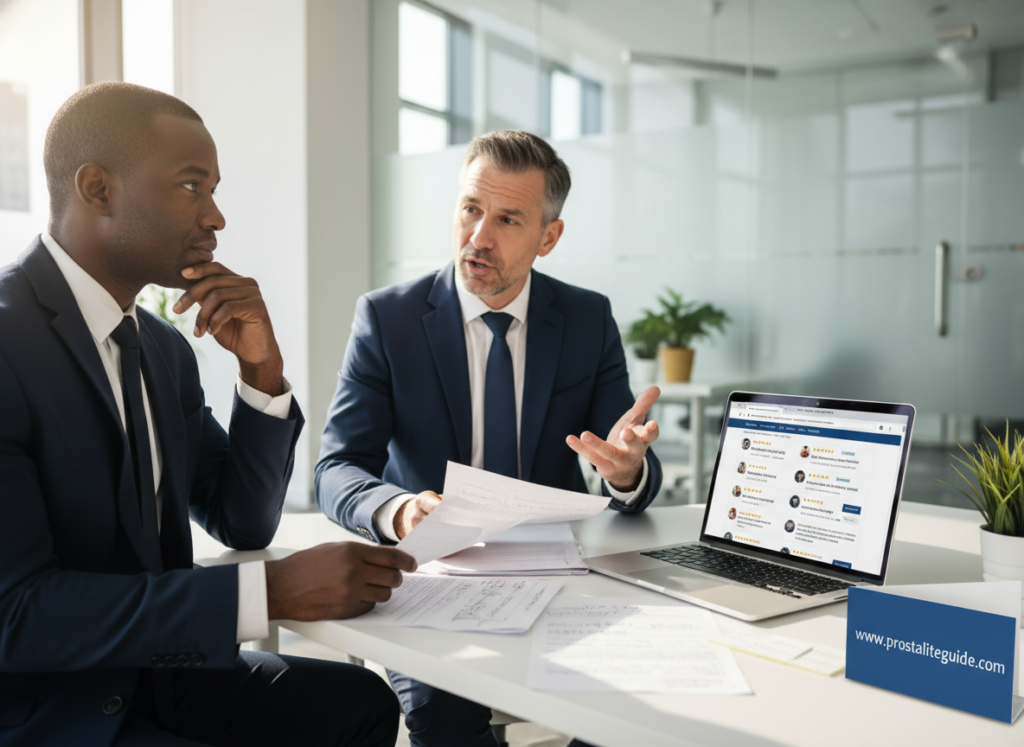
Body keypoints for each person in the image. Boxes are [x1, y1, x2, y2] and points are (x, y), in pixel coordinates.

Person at [0, 82, 416, 747]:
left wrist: (262, 372)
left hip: (163, 677)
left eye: (214, 190)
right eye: (192, 187)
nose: (216, 217)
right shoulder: (8, 344)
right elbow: (15, 615)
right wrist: (265, 594)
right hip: (52, 709)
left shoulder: (161, 349)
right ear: (98, 188)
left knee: (360, 700)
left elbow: (241, 518)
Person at [316, 130, 663, 747]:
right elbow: (337, 467)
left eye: (507, 219)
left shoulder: (586, 319)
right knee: (446, 722)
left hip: (562, 574)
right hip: (437, 576)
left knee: (632, 711)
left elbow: (627, 451)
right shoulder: (388, 319)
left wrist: (627, 471)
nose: (479, 236)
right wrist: (398, 510)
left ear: (548, 238)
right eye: (471, 209)